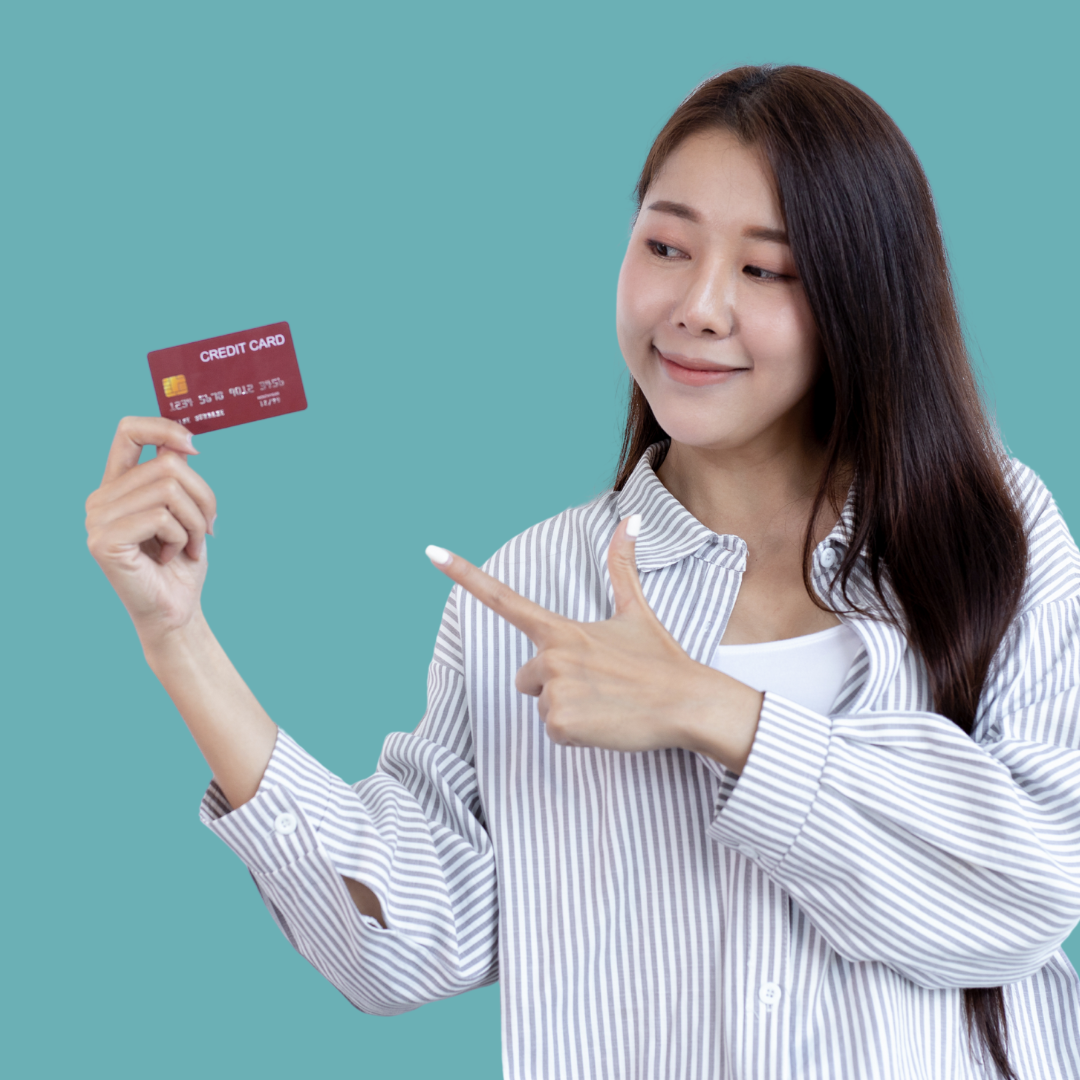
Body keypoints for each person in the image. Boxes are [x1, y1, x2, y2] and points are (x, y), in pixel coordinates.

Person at [85, 65, 1080, 1079]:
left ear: (864, 298)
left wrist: (712, 710)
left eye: (766, 271)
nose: (696, 306)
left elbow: (1029, 892)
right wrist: (178, 638)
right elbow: (403, 946)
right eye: (665, 246)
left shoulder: (991, 530)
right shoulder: (536, 584)